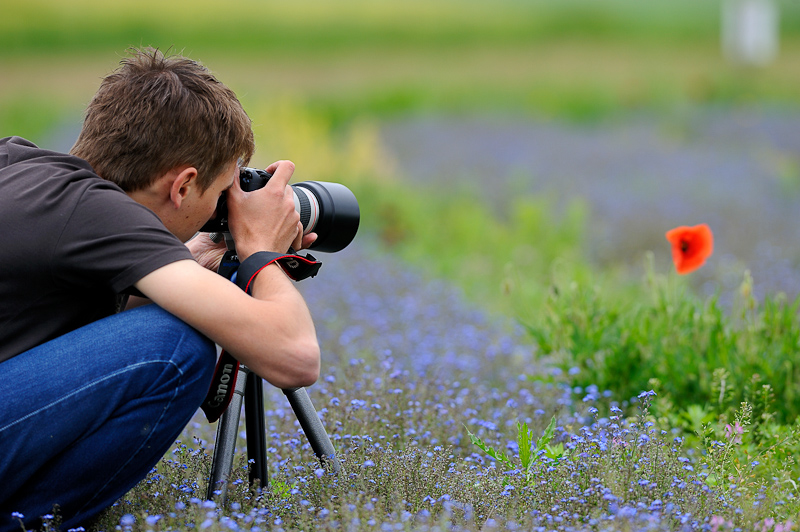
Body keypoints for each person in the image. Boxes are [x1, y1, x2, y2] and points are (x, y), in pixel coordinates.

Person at [0, 47, 320, 530]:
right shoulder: (100, 214)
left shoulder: (20, 164)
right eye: (222, 195)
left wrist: (193, 261)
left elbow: (70, 306)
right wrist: (260, 252)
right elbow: (296, 357)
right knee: (175, 346)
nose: (221, 211)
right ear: (182, 185)